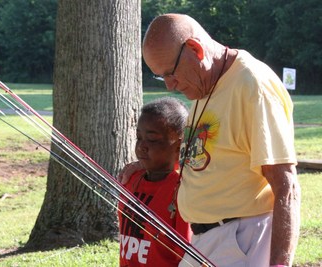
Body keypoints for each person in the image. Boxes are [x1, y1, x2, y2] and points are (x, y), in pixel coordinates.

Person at [119, 14, 301, 267]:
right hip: (206, 241)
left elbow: (286, 185)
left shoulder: (252, 85)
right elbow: (209, 157)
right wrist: (149, 163)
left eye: (171, 73)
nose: (170, 86)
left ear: (195, 49)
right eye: (162, 77)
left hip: (240, 239)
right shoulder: (205, 84)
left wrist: (280, 264)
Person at [118, 97, 191, 266]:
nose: (141, 146)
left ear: (179, 147)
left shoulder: (181, 190)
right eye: (139, 137)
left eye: (152, 140)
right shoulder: (131, 179)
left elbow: (186, 252)